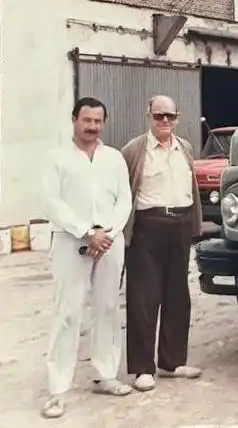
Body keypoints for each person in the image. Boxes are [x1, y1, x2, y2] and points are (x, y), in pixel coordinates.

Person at [41, 97, 134, 419]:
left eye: (97, 121)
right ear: (74, 120)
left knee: (108, 308)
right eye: (86, 120)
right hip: (70, 241)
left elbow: (125, 199)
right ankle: (57, 390)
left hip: (109, 241)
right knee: (67, 312)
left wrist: (107, 233)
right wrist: (85, 232)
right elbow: (52, 203)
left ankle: (105, 375)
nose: (92, 127)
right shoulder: (57, 159)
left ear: (103, 123)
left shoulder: (114, 158)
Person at [121, 95, 203, 392]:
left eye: (170, 116)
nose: (165, 121)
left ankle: (172, 362)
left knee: (177, 295)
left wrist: (194, 225)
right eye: (159, 116)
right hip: (147, 226)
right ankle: (143, 368)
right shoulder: (134, 150)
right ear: (149, 117)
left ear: (177, 117)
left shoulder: (186, 149)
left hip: (179, 225)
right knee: (144, 297)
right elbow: (122, 188)